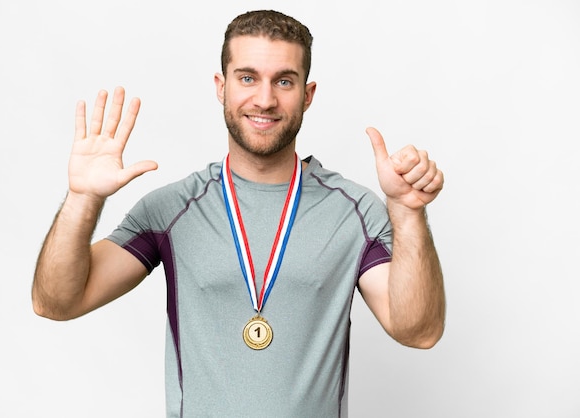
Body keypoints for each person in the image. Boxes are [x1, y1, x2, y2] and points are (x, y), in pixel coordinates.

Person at [32, 9, 445, 418]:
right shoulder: (171, 211)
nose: (264, 99)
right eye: (247, 78)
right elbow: (56, 302)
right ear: (221, 86)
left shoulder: (353, 211)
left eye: (284, 81)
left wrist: (407, 213)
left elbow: (419, 331)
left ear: (307, 93)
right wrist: (83, 198)